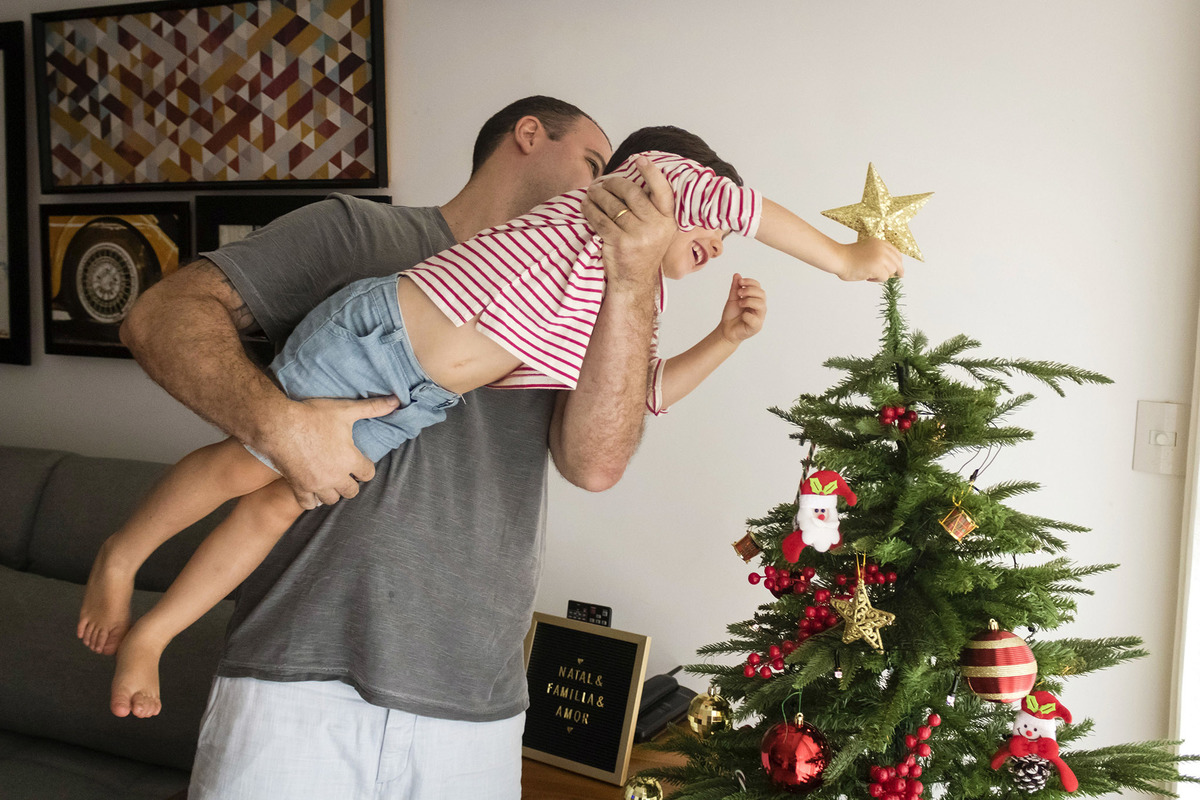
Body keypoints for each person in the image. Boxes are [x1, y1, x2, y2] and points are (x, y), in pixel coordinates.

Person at [107, 97, 896, 799]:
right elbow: (156, 319)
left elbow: (607, 448)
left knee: (274, 498)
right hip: (295, 680)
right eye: (595, 160)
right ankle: (124, 565)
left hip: (473, 702)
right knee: (250, 473)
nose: (607, 181)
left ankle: (150, 623)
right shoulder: (362, 229)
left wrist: (707, 330)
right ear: (528, 135)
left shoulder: (607, 299)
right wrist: (281, 426)